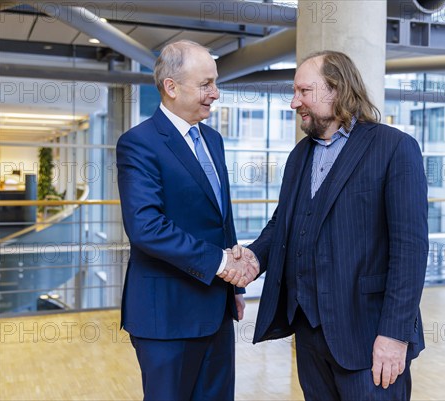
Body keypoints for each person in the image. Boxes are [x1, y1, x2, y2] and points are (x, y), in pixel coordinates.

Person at [245, 50, 429, 400]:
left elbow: (411, 250)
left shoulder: (395, 148)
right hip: (310, 334)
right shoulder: (300, 155)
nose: (294, 102)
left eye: (304, 91)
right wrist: (253, 259)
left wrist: (394, 334)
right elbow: (282, 224)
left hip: (369, 337)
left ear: (337, 89)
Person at [116, 40, 258, 401]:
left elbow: (220, 217)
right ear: (172, 87)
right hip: (166, 317)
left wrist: (234, 289)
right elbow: (146, 227)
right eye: (206, 84)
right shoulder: (139, 143)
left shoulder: (213, 139)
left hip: (216, 309)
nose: (216, 93)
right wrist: (224, 264)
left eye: (215, 82)